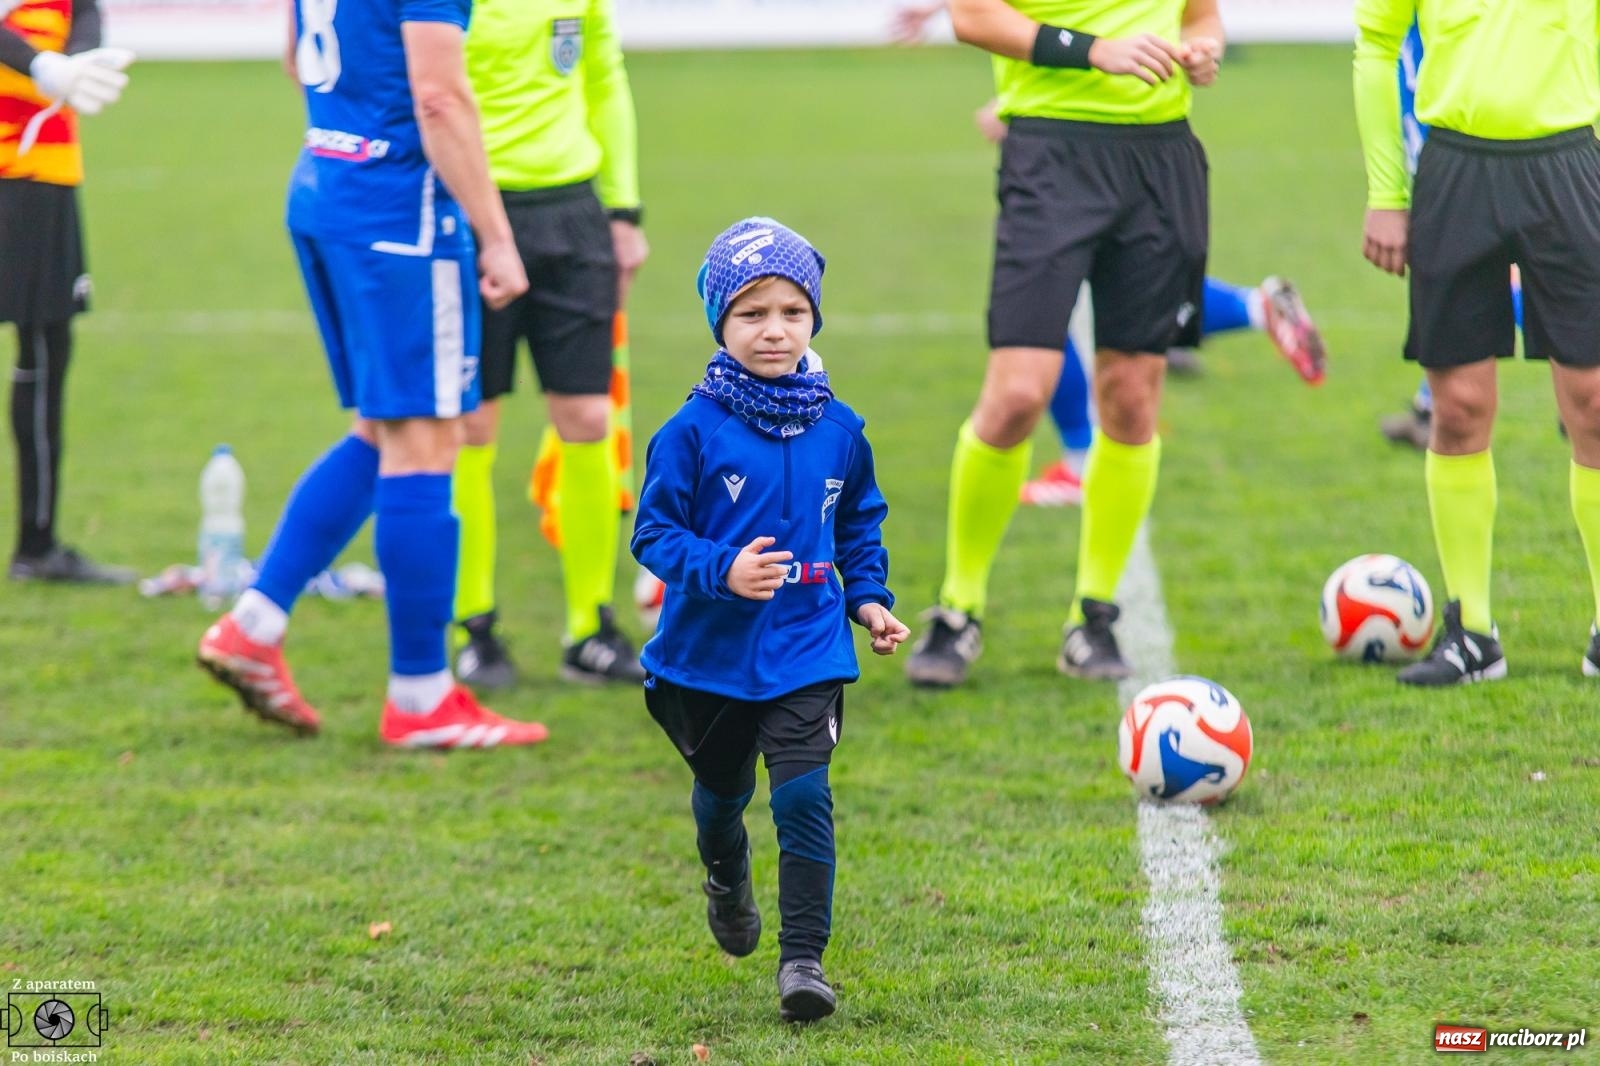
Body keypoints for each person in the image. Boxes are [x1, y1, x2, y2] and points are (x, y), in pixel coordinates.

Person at [196, 0, 550, 747]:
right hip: (401, 218)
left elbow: (297, 55)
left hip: (329, 187)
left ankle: (254, 623)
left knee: (385, 427)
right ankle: (422, 698)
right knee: (427, 439)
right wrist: (497, 236)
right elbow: (439, 96)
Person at [632, 218, 908, 1023]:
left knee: (801, 799)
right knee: (721, 800)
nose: (774, 329)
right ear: (720, 322)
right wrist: (723, 569)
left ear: (814, 318)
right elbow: (652, 534)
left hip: (806, 647)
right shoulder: (690, 431)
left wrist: (868, 598)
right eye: (752, 314)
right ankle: (725, 872)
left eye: (791, 311)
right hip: (706, 660)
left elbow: (859, 520)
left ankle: (804, 963)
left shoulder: (839, 427)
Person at [904, 0, 1223, 687]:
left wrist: (1203, 50)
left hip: (1162, 159)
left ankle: (1094, 616)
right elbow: (973, 17)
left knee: (1134, 399)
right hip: (1051, 155)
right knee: (1017, 394)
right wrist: (1093, 50)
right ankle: (958, 608)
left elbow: (1202, 16)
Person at [1355, 0, 1600, 684]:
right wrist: (1385, 192)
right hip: (1454, 172)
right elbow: (1374, 47)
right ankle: (1474, 636)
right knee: (1457, 408)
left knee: (1595, 403)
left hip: (1571, 165)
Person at [450, 0, 649, 689]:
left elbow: (604, 77)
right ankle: (473, 627)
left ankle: (590, 627)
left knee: (589, 419)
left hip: (574, 216)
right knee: (471, 426)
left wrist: (622, 210)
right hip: (472, 215)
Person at [1, 1, 135, 583]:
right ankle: (36, 547)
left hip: (45, 173)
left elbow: (84, 13)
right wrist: (41, 67)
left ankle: (37, 544)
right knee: (44, 351)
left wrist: (75, 62)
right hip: (15, 173)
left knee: (48, 351)